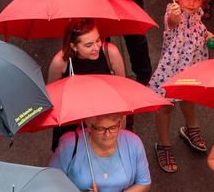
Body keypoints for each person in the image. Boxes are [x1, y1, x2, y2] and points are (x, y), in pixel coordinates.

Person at [147, 0, 214, 173]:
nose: (191, 3)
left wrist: (210, 36)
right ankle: (163, 144)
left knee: (189, 99)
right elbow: (172, 22)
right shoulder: (173, 14)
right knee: (166, 107)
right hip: (171, 71)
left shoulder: (197, 15)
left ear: (203, 0)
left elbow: (202, 30)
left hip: (192, 69)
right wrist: (174, 12)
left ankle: (191, 128)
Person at [46, 18, 126, 148]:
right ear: (73, 46)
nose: (96, 48)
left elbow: (123, 88)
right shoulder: (60, 62)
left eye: (98, 40)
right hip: (73, 119)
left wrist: (123, 117)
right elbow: (51, 96)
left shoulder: (110, 52)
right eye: (88, 45)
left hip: (105, 117)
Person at [52, 113, 151, 192]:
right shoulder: (69, 146)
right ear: (89, 127)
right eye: (101, 129)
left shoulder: (133, 142)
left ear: (119, 125)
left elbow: (144, 183)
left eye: (113, 128)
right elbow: (52, 181)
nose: (107, 135)